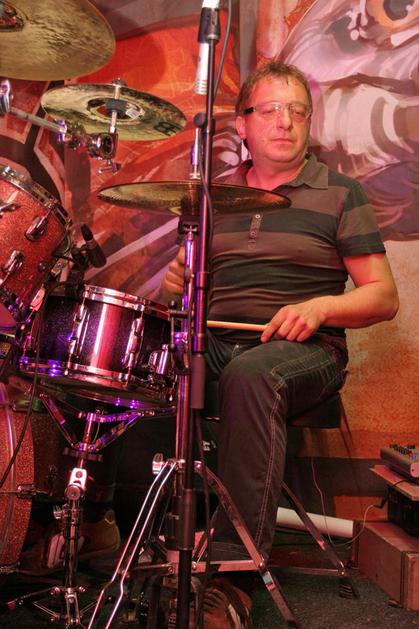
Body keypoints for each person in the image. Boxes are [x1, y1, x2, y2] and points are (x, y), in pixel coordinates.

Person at [162, 61, 399, 628]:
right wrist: (175, 286)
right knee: (150, 365)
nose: (284, 121)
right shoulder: (213, 197)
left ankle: (234, 578)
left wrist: (320, 308)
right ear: (242, 125)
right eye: (269, 109)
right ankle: (145, 546)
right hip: (219, 341)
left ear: (309, 123)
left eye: (296, 110)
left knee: (252, 375)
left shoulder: (339, 192)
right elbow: (184, 287)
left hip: (306, 351)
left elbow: (383, 296)